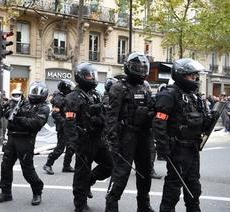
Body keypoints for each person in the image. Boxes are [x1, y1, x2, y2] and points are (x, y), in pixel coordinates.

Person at [152, 58, 209, 212]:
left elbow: (200, 120)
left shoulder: (194, 96)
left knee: (194, 186)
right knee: (173, 188)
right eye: (192, 76)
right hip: (177, 148)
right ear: (181, 75)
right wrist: (163, 147)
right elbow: (159, 122)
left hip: (193, 148)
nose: (195, 79)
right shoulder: (169, 95)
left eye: (196, 76)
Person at [105, 52, 155, 212]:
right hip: (126, 136)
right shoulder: (119, 87)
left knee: (145, 173)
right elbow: (111, 117)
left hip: (144, 136)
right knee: (121, 175)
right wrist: (112, 142)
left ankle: (144, 205)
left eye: (143, 67)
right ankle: (111, 205)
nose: (141, 70)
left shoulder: (146, 86)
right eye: (137, 67)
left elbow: (151, 108)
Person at [64, 63, 113, 212]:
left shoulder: (95, 94)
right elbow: (70, 121)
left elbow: (104, 115)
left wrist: (102, 120)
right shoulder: (73, 97)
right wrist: (73, 142)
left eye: (93, 75)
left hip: (98, 139)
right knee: (81, 173)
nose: (92, 78)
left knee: (110, 165)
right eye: (89, 75)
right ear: (80, 77)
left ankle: (90, 180)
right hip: (84, 140)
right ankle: (80, 204)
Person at [0, 81, 50, 206]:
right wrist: (10, 109)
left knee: (27, 169)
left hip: (26, 140)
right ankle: (5, 192)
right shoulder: (23, 102)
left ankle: (37, 191)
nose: (35, 94)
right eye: (34, 91)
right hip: (12, 137)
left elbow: (35, 124)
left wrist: (19, 119)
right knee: (5, 166)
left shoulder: (43, 107)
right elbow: (8, 115)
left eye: (37, 92)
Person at [43, 79, 75, 175]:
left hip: (69, 125)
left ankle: (66, 165)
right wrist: (64, 122)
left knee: (71, 147)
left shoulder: (67, 97)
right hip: (63, 127)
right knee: (60, 148)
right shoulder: (59, 99)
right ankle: (48, 164)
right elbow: (55, 114)